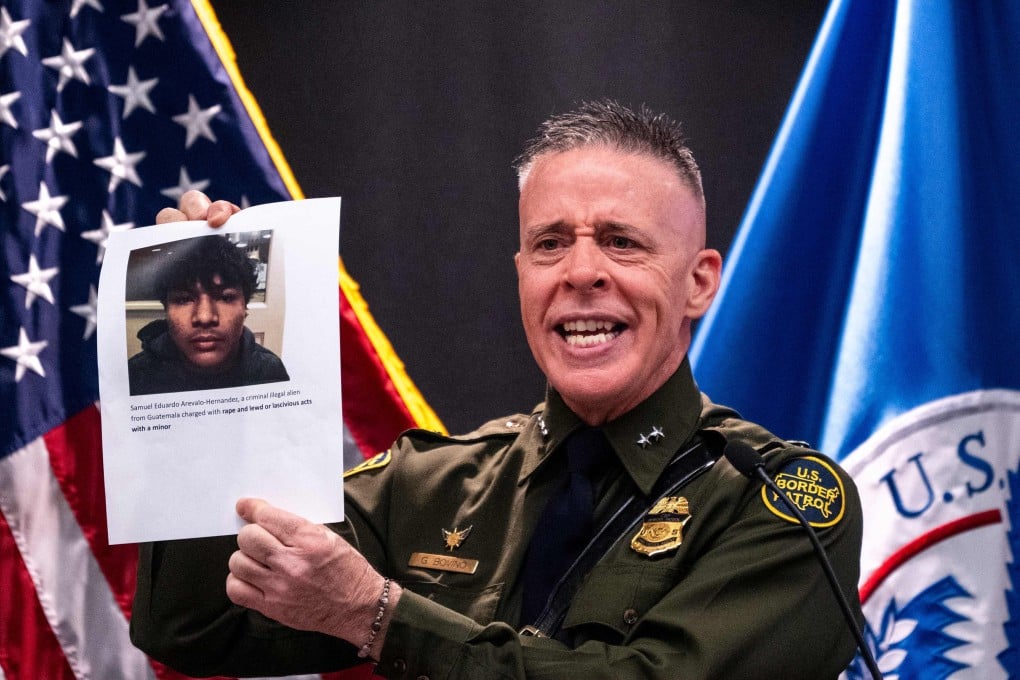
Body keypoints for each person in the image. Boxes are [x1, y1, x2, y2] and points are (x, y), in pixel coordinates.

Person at [130, 101, 863, 679]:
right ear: (521, 274)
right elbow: (195, 629)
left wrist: (377, 615)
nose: (580, 272)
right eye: (549, 243)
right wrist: (210, 375)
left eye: (622, 241)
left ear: (700, 281)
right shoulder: (428, 485)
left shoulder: (779, 503)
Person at [128, 234, 290, 395]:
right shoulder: (136, 375)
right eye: (184, 299)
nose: (205, 317)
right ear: (167, 310)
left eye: (225, 297)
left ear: (244, 309)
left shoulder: (269, 371)